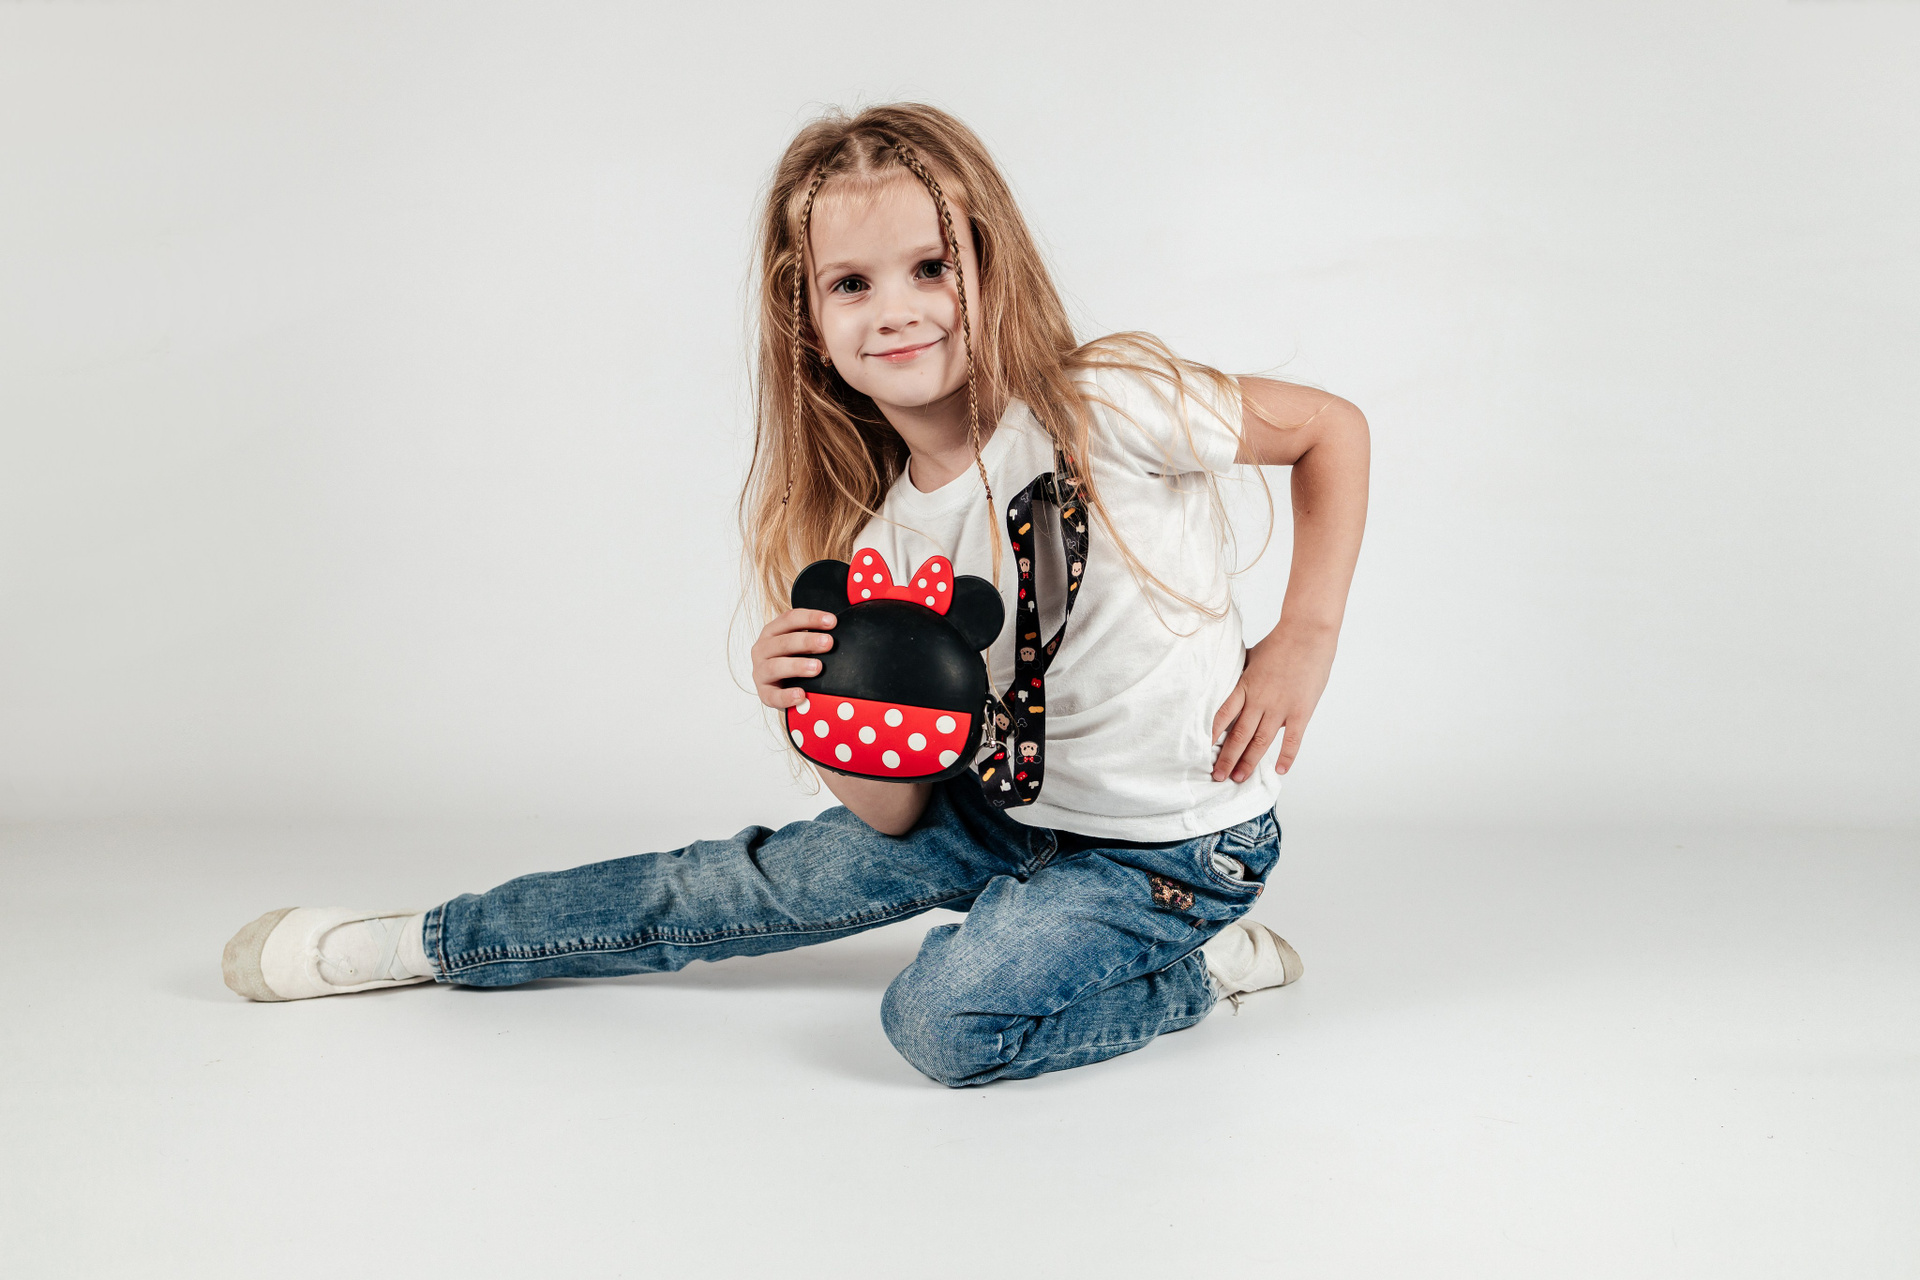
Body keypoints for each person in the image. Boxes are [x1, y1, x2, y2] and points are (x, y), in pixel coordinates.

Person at [220, 103, 1370, 1088]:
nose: (896, 309)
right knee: (724, 884)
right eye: (852, 284)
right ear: (810, 326)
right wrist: (819, 714)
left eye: (932, 267)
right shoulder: (886, 537)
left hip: (1165, 851)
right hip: (993, 808)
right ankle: (436, 941)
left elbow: (1332, 428)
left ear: (992, 265)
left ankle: (1191, 968)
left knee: (942, 1021)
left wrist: (1306, 631)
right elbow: (894, 815)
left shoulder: (1109, 401)